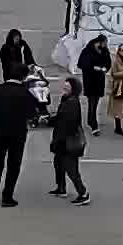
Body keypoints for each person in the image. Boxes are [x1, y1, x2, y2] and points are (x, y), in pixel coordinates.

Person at [0, 65, 36, 207]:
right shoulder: (25, 93)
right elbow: (32, 113)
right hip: (17, 133)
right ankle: (7, 196)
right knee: (14, 164)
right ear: (23, 77)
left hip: (0, 131)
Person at [49, 76, 90, 204]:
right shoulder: (66, 99)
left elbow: (68, 123)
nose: (64, 88)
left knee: (71, 169)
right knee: (58, 163)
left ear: (74, 89)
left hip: (68, 142)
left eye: (67, 86)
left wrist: (58, 136)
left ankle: (83, 193)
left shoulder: (72, 103)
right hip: (62, 140)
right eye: (65, 86)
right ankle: (61, 188)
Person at [77, 35, 111, 134]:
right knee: (92, 102)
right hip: (90, 80)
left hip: (99, 80)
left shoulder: (104, 51)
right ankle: (93, 124)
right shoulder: (87, 51)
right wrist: (93, 67)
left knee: (95, 102)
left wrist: (105, 68)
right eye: (104, 42)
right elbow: (81, 64)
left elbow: (108, 62)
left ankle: (90, 120)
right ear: (99, 42)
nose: (106, 45)